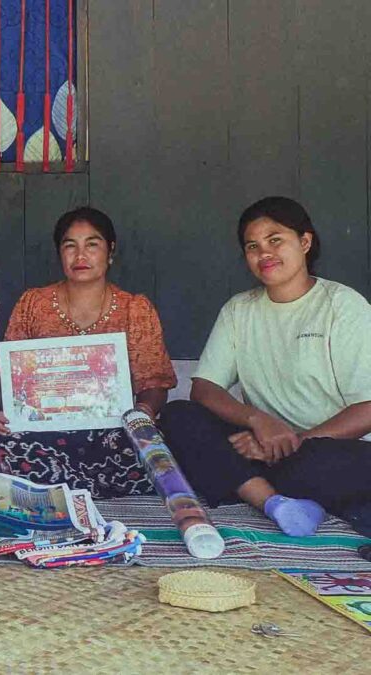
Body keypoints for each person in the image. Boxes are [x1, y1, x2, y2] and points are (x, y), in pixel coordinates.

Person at [159, 197, 371, 537]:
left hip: (324, 448)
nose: (264, 254)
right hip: (259, 444)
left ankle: (248, 485)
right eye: (252, 246)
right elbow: (204, 388)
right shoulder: (239, 310)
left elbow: (367, 408)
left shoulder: (342, 306)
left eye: (275, 240)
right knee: (178, 416)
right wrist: (257, 421)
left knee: (331, 464)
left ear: (305, 242)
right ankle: (274, 502)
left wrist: (293, 441)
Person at [0, 207, 177, 498]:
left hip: (112, 429)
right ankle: (87, 488)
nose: (80, 255)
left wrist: (144, 411)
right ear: (60, 253)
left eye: (92, 245)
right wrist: (7, 413)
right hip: (46, 430)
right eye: (70, 246)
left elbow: (154, 381)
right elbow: (9, 373)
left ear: (110, 251)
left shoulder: (134, 308)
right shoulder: (33, 303)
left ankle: (67, 486)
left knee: (152, 451)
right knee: (12, 449)